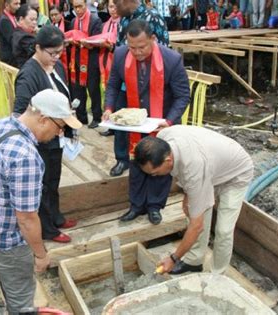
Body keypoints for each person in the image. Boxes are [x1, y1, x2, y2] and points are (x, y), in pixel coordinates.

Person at [0, 89, 82, 314]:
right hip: (6, 239)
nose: (60, 133)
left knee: (11, 283)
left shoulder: (1, 125)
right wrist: (41, 255)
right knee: (22, 297)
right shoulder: (26, 157)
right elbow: (27, 219)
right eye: (60, 126)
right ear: (42, 118)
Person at [134, 126, 254, 275]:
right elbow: (186, 174)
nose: (154, 176)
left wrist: (173, 258)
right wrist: (188, 194)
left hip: (235, 173)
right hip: (210, 166)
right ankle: (194, 261)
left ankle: (217, 273)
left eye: (155, 172)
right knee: (194, 212)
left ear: (168, 160)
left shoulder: (194, 167)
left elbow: (197, 226)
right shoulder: (163, 138)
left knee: (223, 230)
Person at [102, 20, 189, 224]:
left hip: (162, 121)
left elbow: (183, 96)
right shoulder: (121, 54)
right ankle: (136, 205)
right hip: (134, 121)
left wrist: (169, 120)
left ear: (153, 39)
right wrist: (108, 108)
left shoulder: (172, 60)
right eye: (133, 47)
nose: (137, 52)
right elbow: (113, 84)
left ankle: (155, 206)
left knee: (159, 165)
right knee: (136, 163)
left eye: (142, 47)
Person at [14, 25, 78, 243]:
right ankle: (48, 229)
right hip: (40, 139)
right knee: (41, 185)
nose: (56, 57)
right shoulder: (29, 74)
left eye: (60, 52)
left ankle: (56, 217)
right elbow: (20, 110)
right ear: (38, 48)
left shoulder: (56, 67)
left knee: (53, 180)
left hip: (56, 136)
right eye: (52, 53)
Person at [69, 0, 103, 127]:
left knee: (93, 90)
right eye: (75, 7)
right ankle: (81, 117)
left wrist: (86, 43)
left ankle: (97, 117)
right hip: (76, 60)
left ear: (85, 5)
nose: (78, 10)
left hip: (91, 60)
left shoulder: (95, 20)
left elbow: (98, 41)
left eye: (80, 6)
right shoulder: (73, 21)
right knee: (77, 90)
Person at [97, 0, 120, 137]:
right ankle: (110, 125)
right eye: (111, 6)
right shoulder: (105, 24)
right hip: (105, 61)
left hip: (116, 62)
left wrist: (110, 47)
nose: (113, 10)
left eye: (116, 7)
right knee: (108, 92)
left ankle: (118, 126)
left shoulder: (123, 24)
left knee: (117, 93)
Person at [11, 4, 37, 68]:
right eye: (31, 19)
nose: (35, 22)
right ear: (21, 19)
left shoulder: (16, 32)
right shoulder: (25, 37)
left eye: (36, 19)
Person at [0, 0, 20, 66]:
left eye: (19, 3)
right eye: (15, 4)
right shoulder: (4, 20)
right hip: (9, 60)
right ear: (7, 5)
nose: (18, 6)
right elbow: (14, 40)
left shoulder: (13, 17)